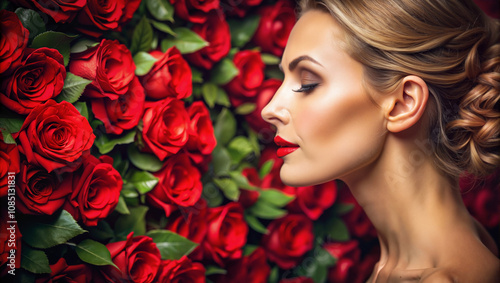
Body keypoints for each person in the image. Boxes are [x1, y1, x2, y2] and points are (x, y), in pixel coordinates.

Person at [261, 0, 500, 281]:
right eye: (283, 78)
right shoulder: (405, 265)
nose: (270, 109)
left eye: (307, 83)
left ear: (403, 104)